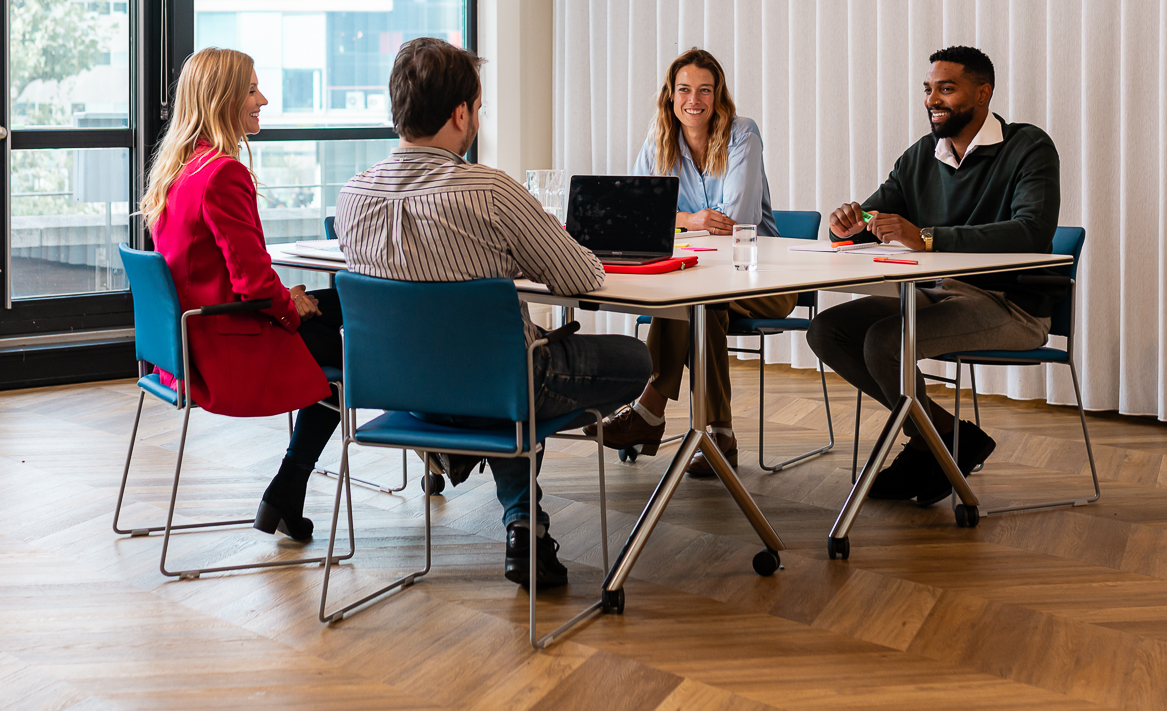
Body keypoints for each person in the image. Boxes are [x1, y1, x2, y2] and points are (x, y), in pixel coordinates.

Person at [336, 37, 652, 590]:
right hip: (494, 385)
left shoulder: (352, 196)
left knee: (495, 363)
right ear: (460, 113)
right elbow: (582, 278)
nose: (477, 118)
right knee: (629, 358)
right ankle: (520, 521)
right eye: (478, 108)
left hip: (401, 389)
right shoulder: (490, 189)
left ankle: (517, 514)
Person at [806, 45, 1060, 506]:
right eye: (928, 89)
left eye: (946, 88)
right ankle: (942, 435)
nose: (931, 99)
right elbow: (874, 216)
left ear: (982, 93)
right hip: (937, 294)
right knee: (828, 330)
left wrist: (925, 236)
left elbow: (1032, 231)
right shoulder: (923, 154)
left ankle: (930, 444)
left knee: (885, 341)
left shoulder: (1028, 147)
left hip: (1011, 305)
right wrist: (846, 225)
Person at [140, 47, 345, 544]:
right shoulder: (223, 174)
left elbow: (229, 275)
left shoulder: (178, 171)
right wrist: (287, 306)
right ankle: (286, 488)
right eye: (253, 90)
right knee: (356, 348)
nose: (264, 100)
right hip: (227, 350)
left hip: (188, 343)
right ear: (224, 99)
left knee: (343, 309)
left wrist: (286, 297)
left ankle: (286, 494)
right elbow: (254, 282)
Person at [586, 48, 792, 477]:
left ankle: (650, 411)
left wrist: (671, 222)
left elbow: (738, 221)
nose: (693, 100)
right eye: (684, 90)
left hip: (765, 280)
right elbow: (633, 215)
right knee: (701, 304)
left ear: (718, 97)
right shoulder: (660, 140)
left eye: (704, 90)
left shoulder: (742, 135)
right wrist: (689, 219)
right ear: (670, 95)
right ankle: (720, 435)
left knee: (694, 301)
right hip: (702, 279)